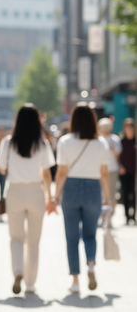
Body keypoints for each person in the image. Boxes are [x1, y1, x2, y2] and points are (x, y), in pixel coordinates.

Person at [51, 104, 111, 294]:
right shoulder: (101, 143)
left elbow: (61, 172)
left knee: (71, 237)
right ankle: (91, 265)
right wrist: (108, 197)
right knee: (91, 234)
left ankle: (75, 280)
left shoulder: (65, 141)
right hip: (93, 189)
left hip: (71, 188)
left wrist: (55, 196)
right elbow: (104, 173)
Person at [0, 105, 55, 295]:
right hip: (36, 192)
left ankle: (18, 271)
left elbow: (2, 169)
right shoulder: (42, 143)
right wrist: (50, 197)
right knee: (34, 241)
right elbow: (46, 173)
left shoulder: (8, 142)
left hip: (15, 192)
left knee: (16, 238)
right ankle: (30, 284)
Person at [98, 117, 121, 229]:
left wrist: (110, 146)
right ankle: (102, 218)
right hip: (99, 171)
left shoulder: (115, 139)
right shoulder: (97, 139)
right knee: (100, 195)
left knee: (111, 195)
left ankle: (110, 218)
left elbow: (118, 154)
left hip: (112, 170)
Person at [118, 118, 136, 225]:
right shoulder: (121, 141)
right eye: (127, 126)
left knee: (134, 194)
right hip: (124, 172)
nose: (129, 129)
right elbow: (117, 157)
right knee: (125, 194)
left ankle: (133, 216)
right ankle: (127, 217)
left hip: (134, 172)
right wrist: (120, 167)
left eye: (131, 126)